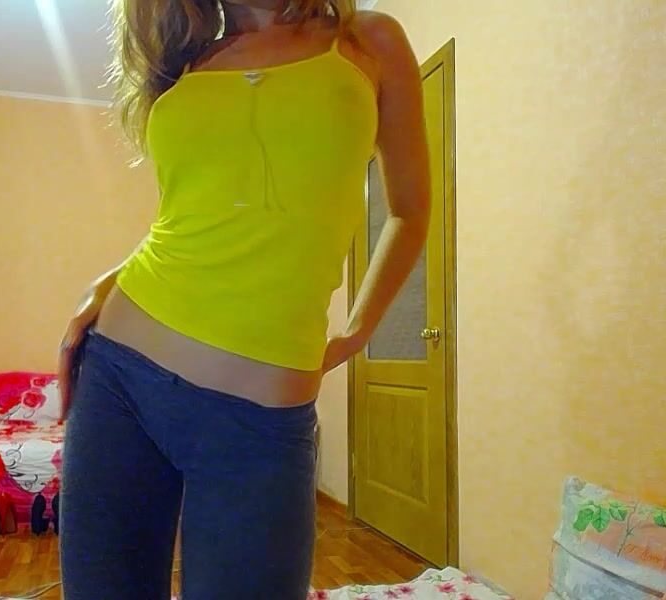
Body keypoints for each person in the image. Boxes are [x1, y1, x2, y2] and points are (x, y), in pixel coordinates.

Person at [57, 0, 430, 598]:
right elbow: (193, 212)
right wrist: (110, 280)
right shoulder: (186, 65)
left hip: (260, 419)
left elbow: (409, 210)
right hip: (121, 374)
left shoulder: (366, 41)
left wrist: (360, 329)